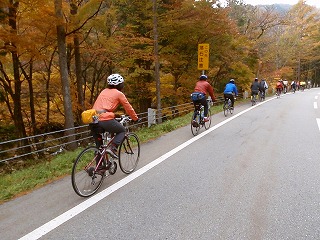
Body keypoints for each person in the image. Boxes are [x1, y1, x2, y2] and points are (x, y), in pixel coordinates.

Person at [91, 73, 139, 170]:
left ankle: (99, 168)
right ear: (118, 85)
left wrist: (115, 115)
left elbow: (102, 107)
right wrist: (135, 118)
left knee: (99, 146)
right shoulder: (119, 94)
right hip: (105, 120)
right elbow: (128, 108)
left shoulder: (104, 91)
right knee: (122, 131)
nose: (123, 86)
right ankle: (113, 148)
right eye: (122, 84)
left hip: (93, 120)